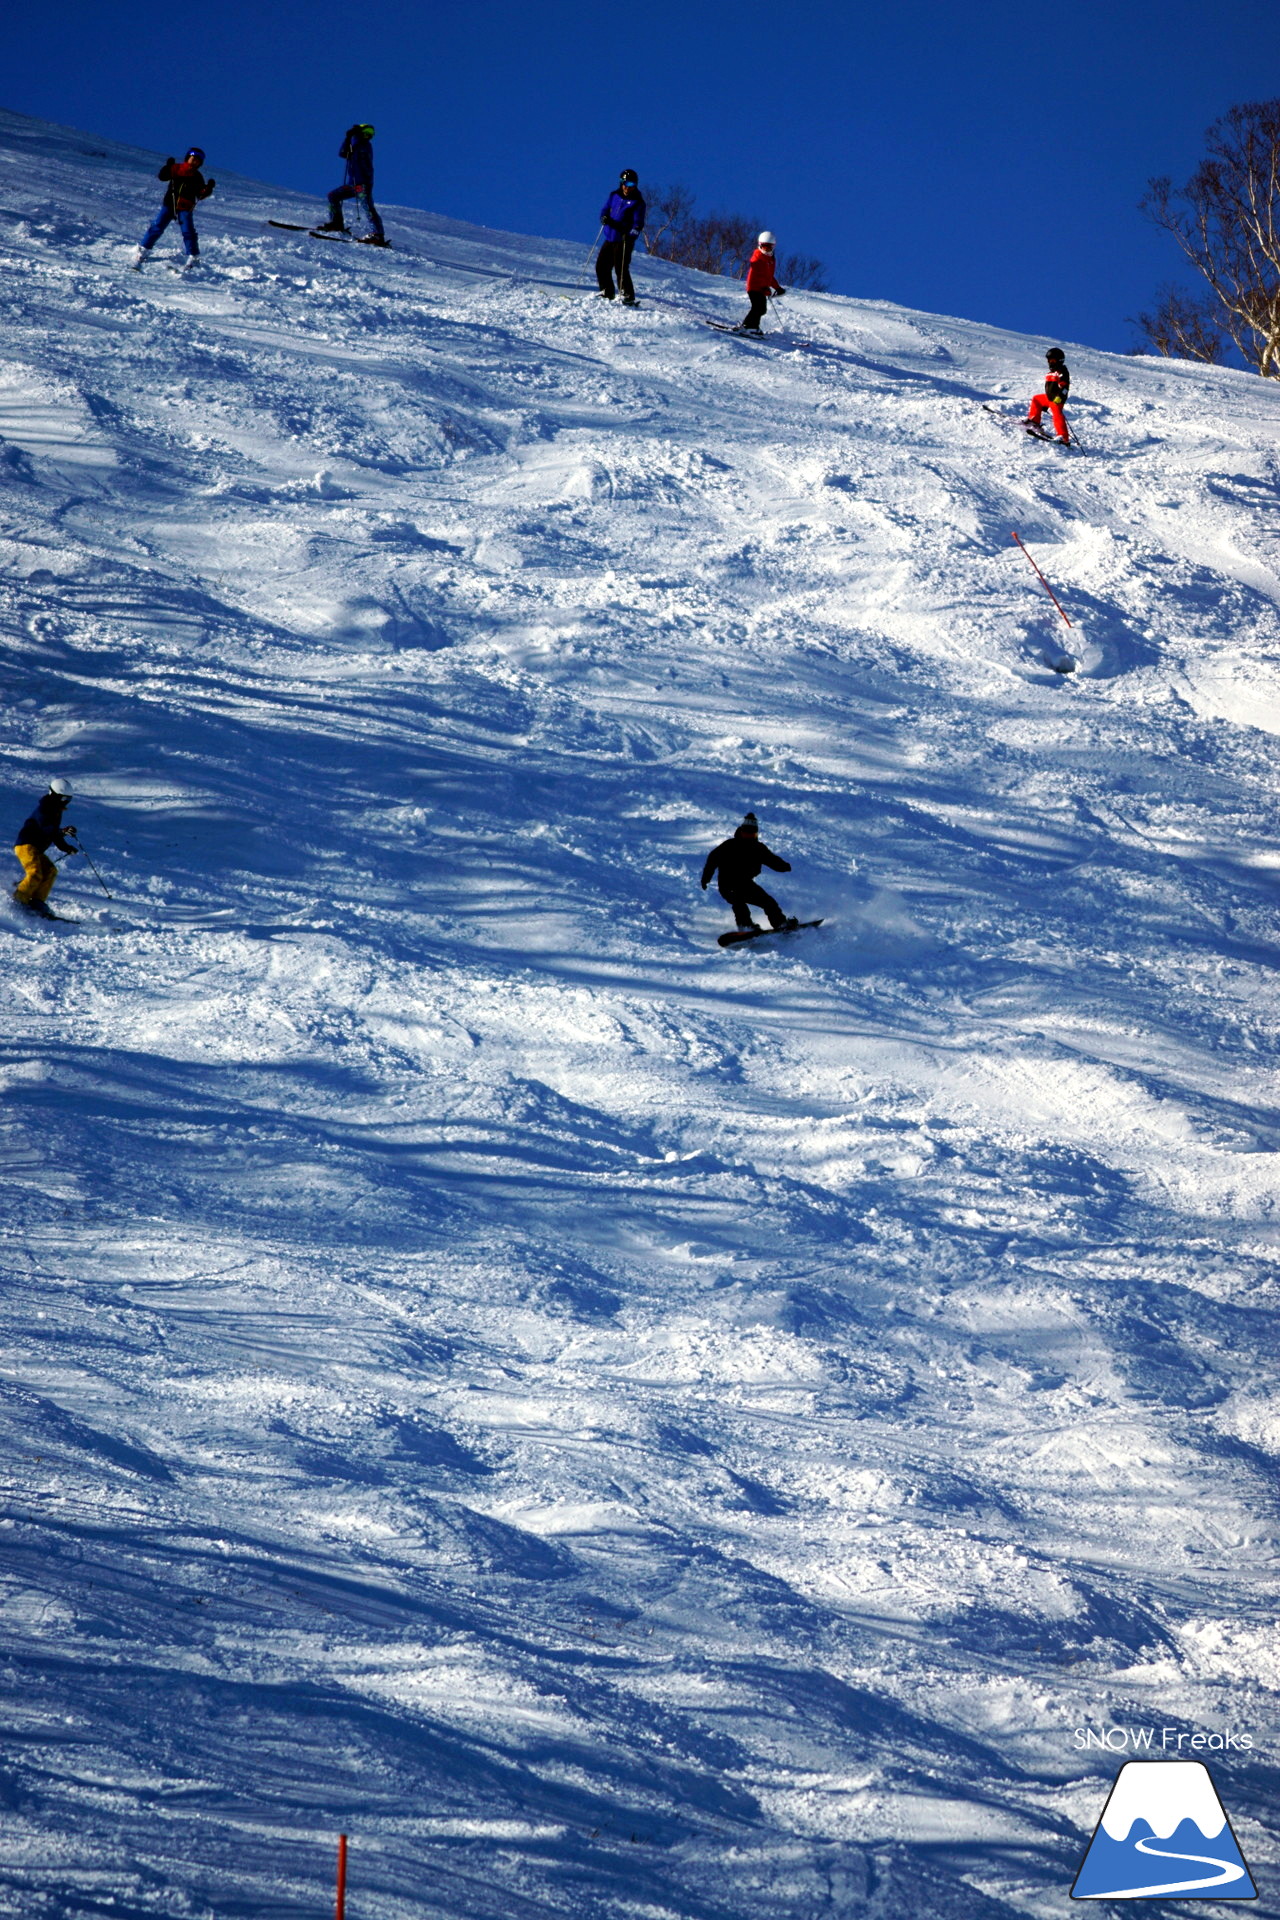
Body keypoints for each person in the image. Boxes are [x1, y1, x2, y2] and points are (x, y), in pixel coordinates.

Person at [701, 811, 797, 933]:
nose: (748, 838)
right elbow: (712, 860)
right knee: (739, 904)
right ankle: (745, 927)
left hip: (745, 884)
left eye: (751, 835)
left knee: (768, 902)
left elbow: (771, 860)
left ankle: (780, 924)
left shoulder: (758, 848)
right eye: (746, 834)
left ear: (756, 835)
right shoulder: (729, 846)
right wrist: (706, 878)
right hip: (727, 884)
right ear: (740, 832)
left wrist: (784, 866)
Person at [133, 149, 216, 269]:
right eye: (193, 159)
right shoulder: (177, 168)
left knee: (188, 230)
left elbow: (200, 195)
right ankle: (144, 249)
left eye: (197, 161)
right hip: (170, 203)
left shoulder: (197, 177)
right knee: (158, 226)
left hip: (185, 206)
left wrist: (208, 189)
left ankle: (193, 256)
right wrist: (168, 167)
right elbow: (163, 177)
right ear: (188, 158)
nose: (194, 162)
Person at [12, 778, 78, 918]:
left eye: (68, 799)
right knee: (35, 872)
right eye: (63, 798)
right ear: (54, 795)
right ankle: (18, 901)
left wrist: (66, 848)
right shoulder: (45, 808)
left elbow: (54, 834)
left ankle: (37, 902)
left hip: (35, 848)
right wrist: (62, 831)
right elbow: (47, 828)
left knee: (50, 871)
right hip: (26, 845)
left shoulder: (55, 811)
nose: (65, 801)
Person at [314, 124, 388, 245]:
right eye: (366, 132)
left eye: (371, 134)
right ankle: (336, 223)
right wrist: (348, 138)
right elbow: (343, 153)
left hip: (363, 183)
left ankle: (378, 235)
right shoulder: (356, 144)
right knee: (333, 196)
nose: (368, 135)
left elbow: (356, 148)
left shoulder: (365, 145)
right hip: (352, 184)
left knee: (368, 208)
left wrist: (354, 135)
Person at [596, 170, 646, 304]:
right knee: (601, 266)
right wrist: (604, 217)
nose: (626, 187)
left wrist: (631, 236)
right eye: (624, 183)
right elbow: (605, 209)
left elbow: (638, 224)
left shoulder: (638, 202)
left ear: (635, 185)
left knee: (621, 268)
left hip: (624, 239)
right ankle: (606, 292)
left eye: (630, 183)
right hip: (610, 237)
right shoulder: (614, 195)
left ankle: (627, 295)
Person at [741, 232, 785, 333]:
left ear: (773, 247)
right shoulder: (758, 258)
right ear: (760, 245)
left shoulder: (770, 259)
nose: (766, 250)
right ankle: (748, 326)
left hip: (761, 288)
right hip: (754, 287)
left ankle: (753, 327)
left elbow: (769, 276)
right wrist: (764, 287)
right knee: (758, 308)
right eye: (764, 247)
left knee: (762, 309)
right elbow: (757, 274)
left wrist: (778, 288)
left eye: (769, 248)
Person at [1027, 348, 1071, 444]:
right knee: (1036, 399)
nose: (1050, 363)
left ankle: (1064, 438)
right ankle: (1034, 422)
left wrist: (1060, 396)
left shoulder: (1062, 371)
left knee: (1057, 416)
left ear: (1059, 361)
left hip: (1057, 399)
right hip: (1049, 398)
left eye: (1053, 360)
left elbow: (1065, 386)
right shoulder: (1050, 373)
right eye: (1049, 360)